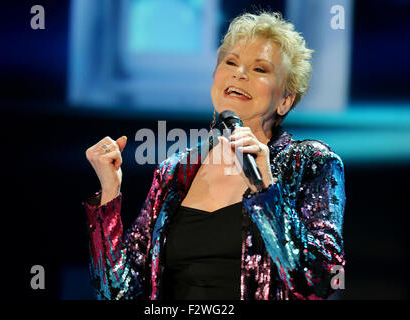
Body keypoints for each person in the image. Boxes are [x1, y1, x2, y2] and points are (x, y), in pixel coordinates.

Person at [83, 11, 346, 300]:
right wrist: (109, 194)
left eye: (260, 69)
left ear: (285, 100)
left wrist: (266, 190)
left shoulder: (310, 162)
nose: (239, 73)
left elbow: (324, 282)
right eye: (230, 62)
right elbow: (117, 294)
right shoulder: (175, 170)